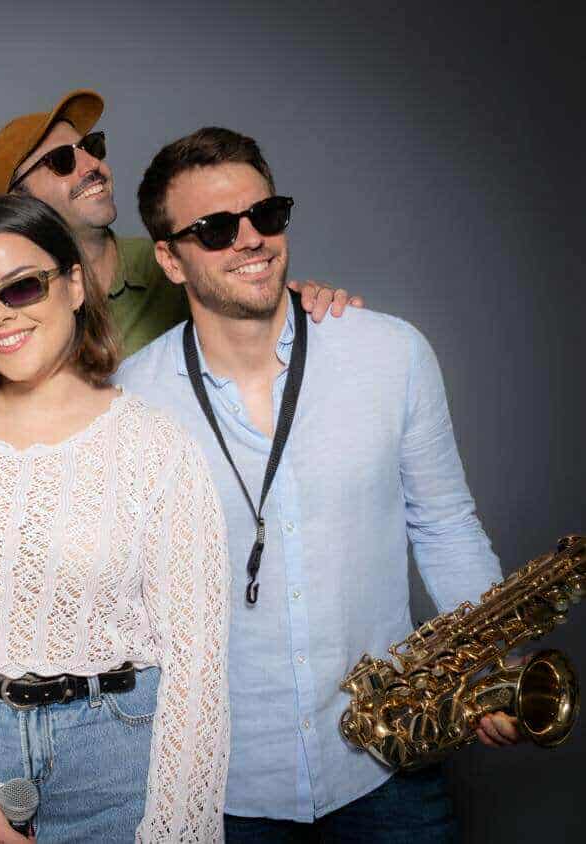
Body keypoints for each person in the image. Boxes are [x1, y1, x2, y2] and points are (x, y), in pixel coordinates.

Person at [118, 127, 515, 842]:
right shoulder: (130, 402)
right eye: (216, 229)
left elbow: (443, 524)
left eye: (264, 215)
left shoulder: (390, 353)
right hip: (221, 786)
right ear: (171, 260)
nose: (250, 240)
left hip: (388, 764)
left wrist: (489, 658)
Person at [0, 194, 231, 843]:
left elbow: (198, 665)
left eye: (22, 287)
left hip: (119, 760)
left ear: (74, 284)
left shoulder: (155, 447)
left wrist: (177, 828)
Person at [0, 89, 363, 355]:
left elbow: (260, 308)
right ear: (18, 200)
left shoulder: (184, 258)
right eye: (62, 161)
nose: (93, 165)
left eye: (92, 147)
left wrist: (309, 306)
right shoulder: (3, 303)